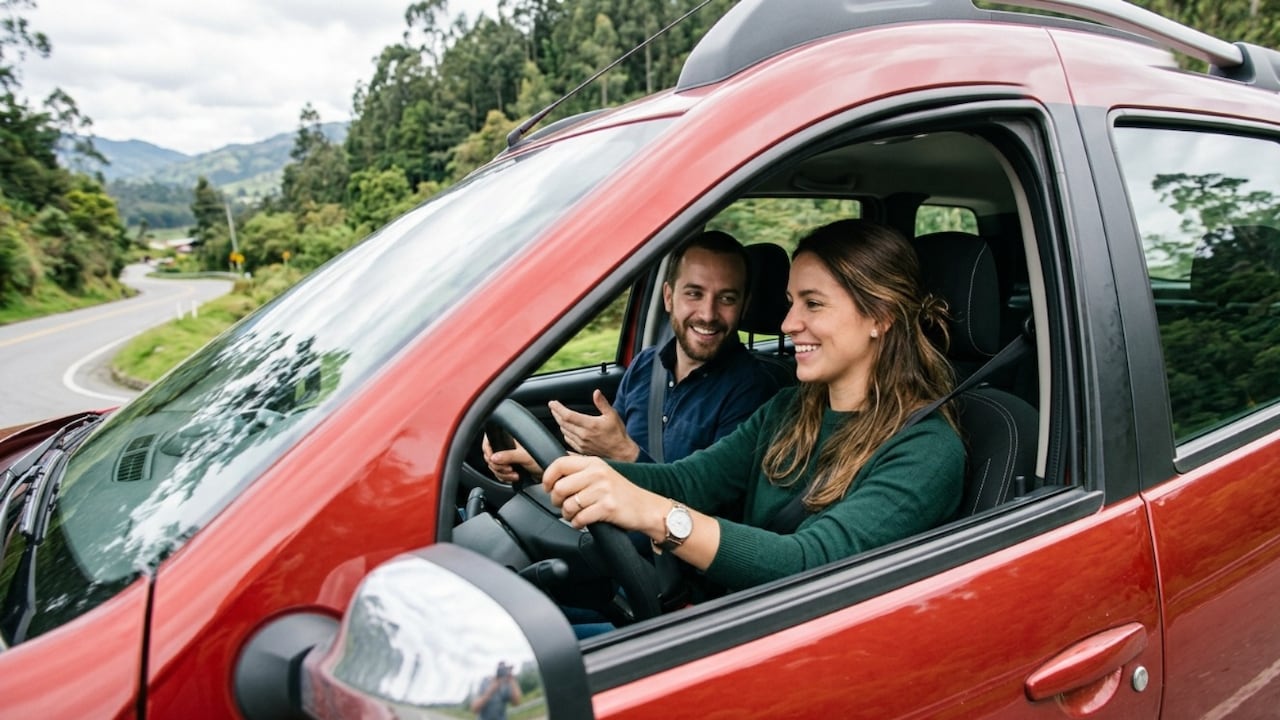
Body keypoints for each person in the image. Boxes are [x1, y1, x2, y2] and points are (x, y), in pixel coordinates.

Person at [540, 219, 966, 594]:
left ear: (880, 316)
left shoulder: (926, 449)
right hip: (736, 615)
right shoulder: (788, 409)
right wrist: (565, 471)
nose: (787, 323)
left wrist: (657, 515)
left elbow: (808, 563)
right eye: (791, 301)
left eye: (812, 304)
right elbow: (688, 481)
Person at [486, 230, 782, 481]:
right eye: (694, 293)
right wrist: (539, 461)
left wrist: (624, 453)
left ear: (744, 307)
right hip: (606, 529)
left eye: (727, 299)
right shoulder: (645, 366)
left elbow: (711, 514)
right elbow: (609, 472)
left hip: (649, 550)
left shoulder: (755, 392)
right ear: (668, 297)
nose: (708, 314)